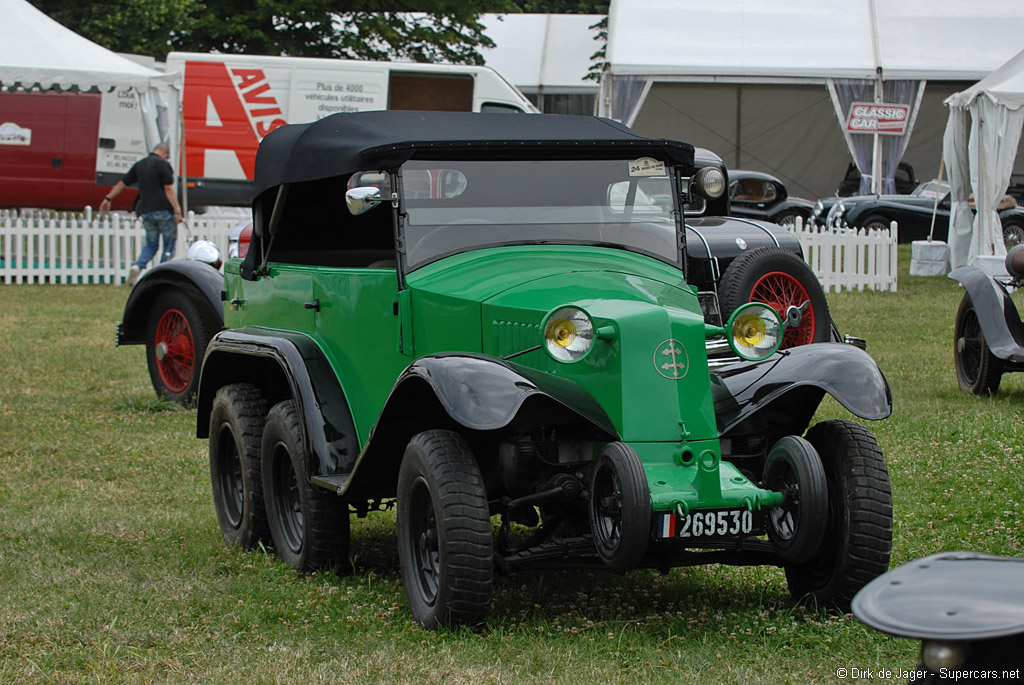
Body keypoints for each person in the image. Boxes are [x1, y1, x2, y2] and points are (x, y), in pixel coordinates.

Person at [100, 142, 183, 286]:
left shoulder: (140, 165)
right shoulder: (163, 165)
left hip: (147, 211)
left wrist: (108, 198)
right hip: (164, 211)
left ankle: (137, 266)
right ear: (165, 153)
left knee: (151, 245)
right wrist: (177, 210)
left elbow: (123, 183)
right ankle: (163, 277)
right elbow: (168, 188)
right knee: (168, 246)